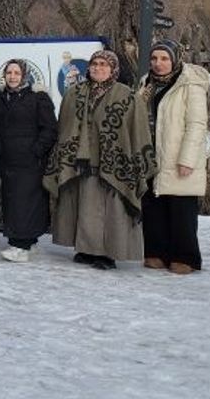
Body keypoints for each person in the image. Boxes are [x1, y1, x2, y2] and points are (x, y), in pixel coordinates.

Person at [45, 50, 156, 270]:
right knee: (83, 207)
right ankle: (85, 249)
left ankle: (108, 253)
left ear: (113, 69)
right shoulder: (74, 93)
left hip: (114, 165)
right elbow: (64, 126)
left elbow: (138, 131)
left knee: (111, 212)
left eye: (104, 64)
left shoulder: (127, 96)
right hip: (80, 165)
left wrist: (137, 161)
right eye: (95, 64)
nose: (98, 68)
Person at [140, 40, 210, 274]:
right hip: (151, 156)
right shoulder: (145, 83)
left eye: (164, 59)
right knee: (153, 208)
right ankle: (157, 252)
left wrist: (187, 159)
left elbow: (197, 124)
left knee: (181, 211)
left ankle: (185, 257)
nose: (158, 64)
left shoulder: (190, 85)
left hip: (177, 156)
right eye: (154, 59)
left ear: (175, 59)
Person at [0, 59, 59, 262]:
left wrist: (36, 150)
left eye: (17, 73)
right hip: (7, 158)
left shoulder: (38, 98)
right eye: (9, 72)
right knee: (12, 200)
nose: (12, 76)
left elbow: (49, 128)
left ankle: (20, 244)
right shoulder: (1, 97)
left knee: (26, 201)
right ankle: (26, 241)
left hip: (30, 160)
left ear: (25, 76)